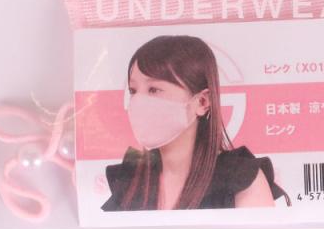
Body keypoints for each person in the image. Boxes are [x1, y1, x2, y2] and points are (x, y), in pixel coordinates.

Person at [101, 34, 290, 211]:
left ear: (202, 102)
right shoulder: (130, 179)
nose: (138, 102)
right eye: (133, 91)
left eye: (154, 90)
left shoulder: (241, 179)